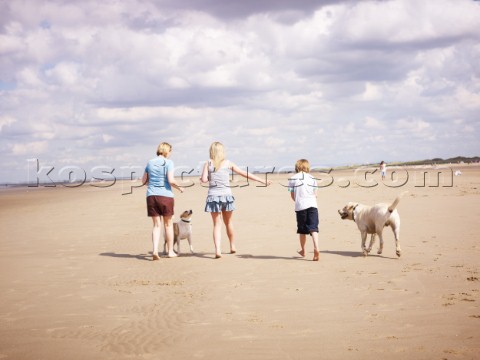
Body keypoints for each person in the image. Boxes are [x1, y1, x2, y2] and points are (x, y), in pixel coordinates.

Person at [200, 142, 271, 258]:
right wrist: (262, 181)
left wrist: (205, 178)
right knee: (228, 223)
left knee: (216, 224)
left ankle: (217, 250)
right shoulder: (228, 163)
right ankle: (232, 246)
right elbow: (244, 173)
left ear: (211, 151)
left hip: (213, 196)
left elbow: (203, 179)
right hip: (226, 196)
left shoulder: (207, 163)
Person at [142, 142, 183, 260]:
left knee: (156, 225)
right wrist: (180, 187)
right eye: (170, 151)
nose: (170, 154)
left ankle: (155, 251)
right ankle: (170, 251)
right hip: (165, 196)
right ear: (166, 151)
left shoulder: (150, 162)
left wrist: (153, 186)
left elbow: (143, 181)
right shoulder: (169, 163)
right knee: (168, 225)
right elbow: (170, 180)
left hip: (151, 196)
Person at [288, 159, 320, 261]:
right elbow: (316, 194)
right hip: (313, 205)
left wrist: (298, 201)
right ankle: (316, 248)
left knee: (302, 230)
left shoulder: (292, 178)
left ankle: (303, 250)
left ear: (297, 167)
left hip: (300, 206)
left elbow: (292, 195)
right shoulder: (312, 178)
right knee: (314, 228)